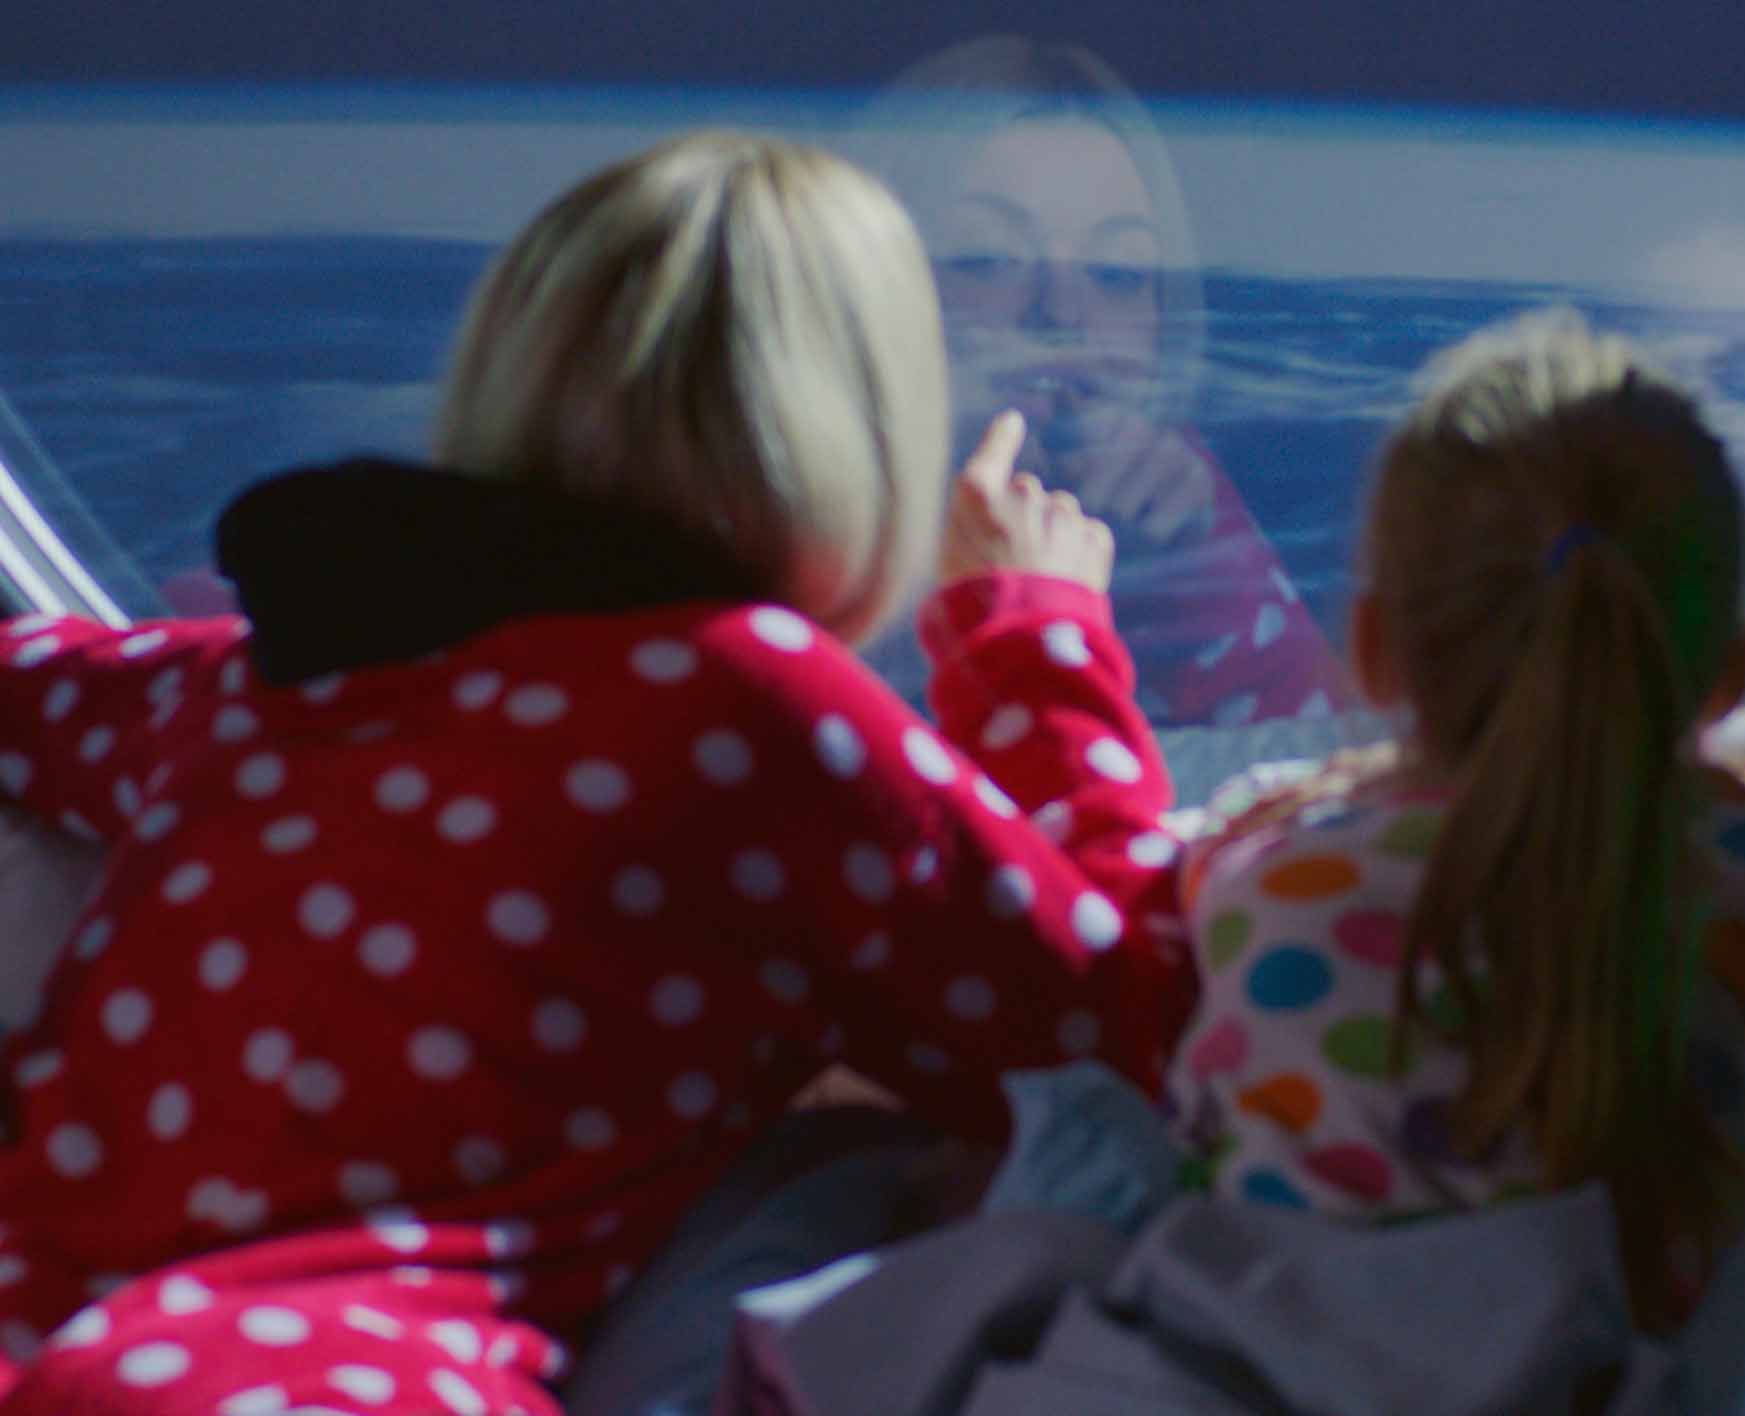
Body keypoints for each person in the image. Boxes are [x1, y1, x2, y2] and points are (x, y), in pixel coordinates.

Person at [0, 132, 1195, 1414]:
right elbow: (1140, 1039)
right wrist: (1031, 638)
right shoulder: (750, 703)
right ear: (869, 433)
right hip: (319, 1382)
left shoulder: (251, 677)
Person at [1165, 310, 1745, 1331]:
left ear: (1373, 652)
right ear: (1729, 680)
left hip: (1271, 1367)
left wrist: (1354, 787)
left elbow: (1204, 852)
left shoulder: (1267, 869)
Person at [847, 36, 1359, 728]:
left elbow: (1315, 767)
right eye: (986, 257)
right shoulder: (804, 531)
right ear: (878, 286)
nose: (1061, 311)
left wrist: (1194, 579)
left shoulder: (1183, 508)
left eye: (1118, 273)